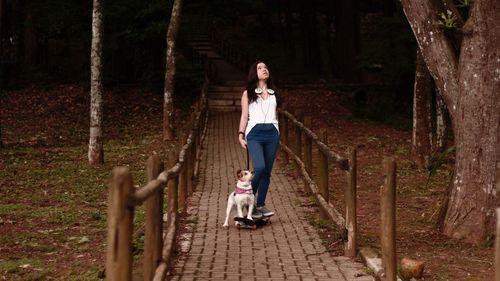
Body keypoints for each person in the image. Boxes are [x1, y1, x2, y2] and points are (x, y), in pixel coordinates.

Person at [238, 61, 281, 219]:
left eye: (266, 67)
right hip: (254, 134)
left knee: (267, 173)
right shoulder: (247, 94)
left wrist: (278, 132)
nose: (264, 69)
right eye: (260, 68)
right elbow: (244, 115)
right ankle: (249, 201)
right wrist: (241, 134)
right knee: (260, 167)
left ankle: (260, 205)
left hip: (272, 134)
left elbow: (275, 115)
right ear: (254, 73)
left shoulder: (274, 93)